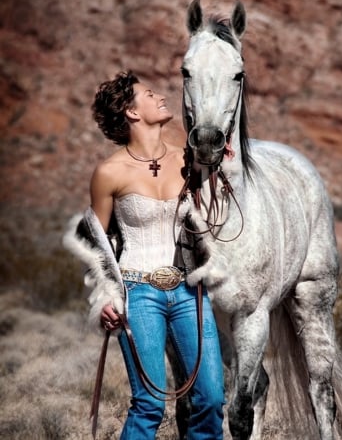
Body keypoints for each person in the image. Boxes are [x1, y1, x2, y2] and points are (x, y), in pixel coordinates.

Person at [68, 70, 225, 439]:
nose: (160, 97)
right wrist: (105, 298)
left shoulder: (188, 159)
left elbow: (218, 209)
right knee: (150, 404)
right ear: (131, 112)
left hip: (189, 292)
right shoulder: (109, 172)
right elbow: (96, 239)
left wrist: (220, 159)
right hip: (138, 294)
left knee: (212, 399)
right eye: (148, 94)